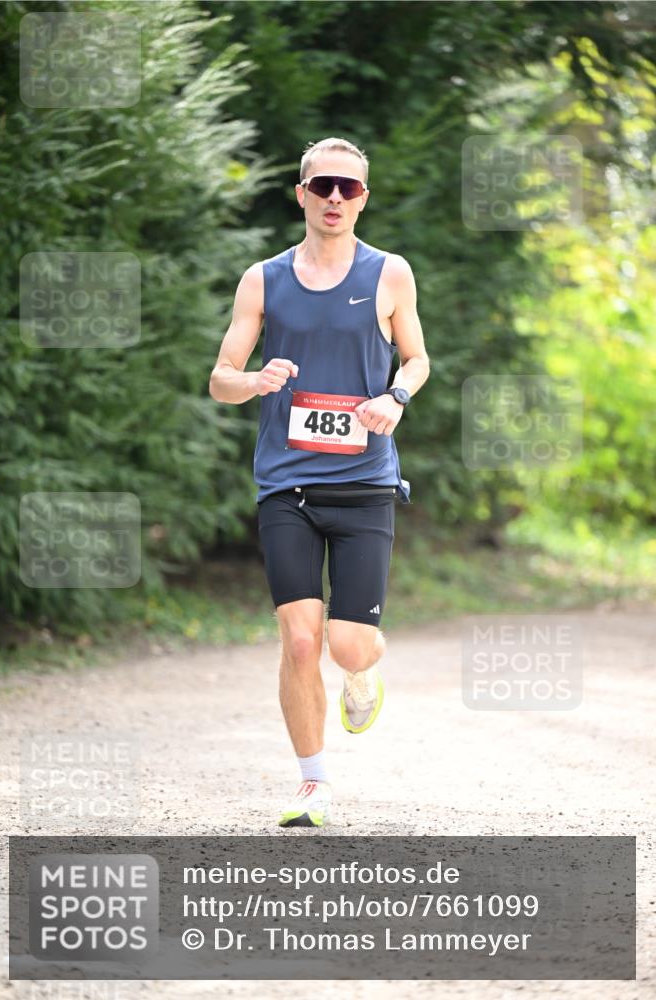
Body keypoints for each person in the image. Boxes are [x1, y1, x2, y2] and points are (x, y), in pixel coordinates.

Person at [210, 137, 430, 827]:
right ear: (301, 194)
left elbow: (417, 359)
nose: (336, 197)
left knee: (346, 645)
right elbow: (220, 379)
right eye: (323, 185)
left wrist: (395, 396)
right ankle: (313, 785)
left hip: (365, 484)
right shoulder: (263, 279)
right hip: (287, 485)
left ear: (362, 199)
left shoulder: (389, 273)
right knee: (300, 640)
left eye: (349, 188)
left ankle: (366, 665)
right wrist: (256, 380)